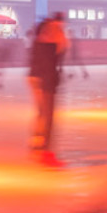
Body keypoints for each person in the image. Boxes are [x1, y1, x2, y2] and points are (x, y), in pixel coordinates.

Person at [27, 12, 69, 167]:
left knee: (42, 114)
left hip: (37, 78)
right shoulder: (50, 39)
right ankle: (45, 152)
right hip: (45, 81)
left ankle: (37, 146)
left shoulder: (41, 39)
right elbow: (52, 61)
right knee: (48, 117)